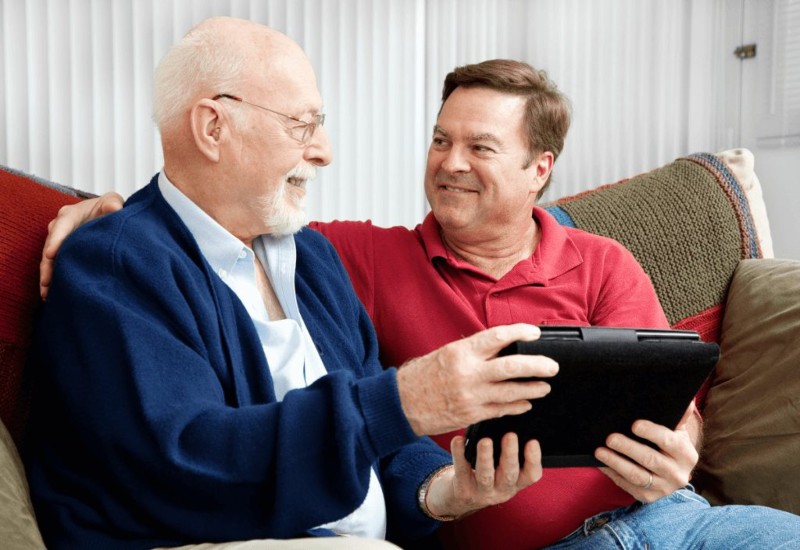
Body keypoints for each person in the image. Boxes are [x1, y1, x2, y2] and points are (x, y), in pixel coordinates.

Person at [39, 54, 800, 549]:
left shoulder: (601, 260)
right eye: (441, 141)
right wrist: (107, 209)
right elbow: (223, 217)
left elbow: (673, 399)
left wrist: (679, 451)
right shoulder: (356, 258)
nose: (450, 165)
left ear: (540, 169)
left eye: (480, 148)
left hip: (669, 521)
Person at [23, 18, 565, 550]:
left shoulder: (310, 257)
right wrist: (404, 401)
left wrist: (445, 490)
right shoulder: (114, 266)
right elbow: (188, 465)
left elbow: (377, 448)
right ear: (213, 128)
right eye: (302, 125)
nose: (324, 150)